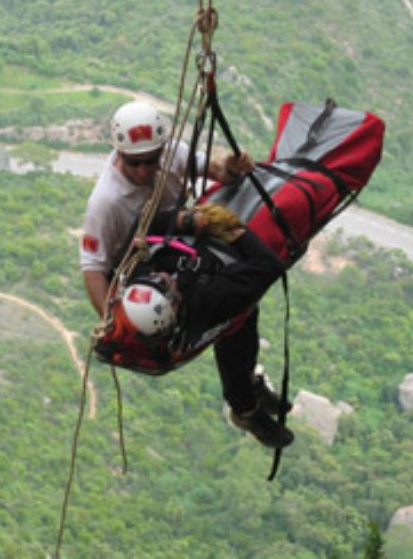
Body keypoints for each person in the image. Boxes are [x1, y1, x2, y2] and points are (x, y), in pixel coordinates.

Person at [80, 100, 290, 448]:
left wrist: (232, 169)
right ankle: (245, 405)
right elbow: (93, 268)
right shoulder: (107, 202)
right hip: (145, 272)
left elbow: (217, 172)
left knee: (242, 305)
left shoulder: (172, 154)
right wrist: (114, 321)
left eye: (152, 160)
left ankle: (247, 386)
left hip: (178, 245)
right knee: (228, 307)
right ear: (119, 154)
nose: (145, 171)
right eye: (135, 163)